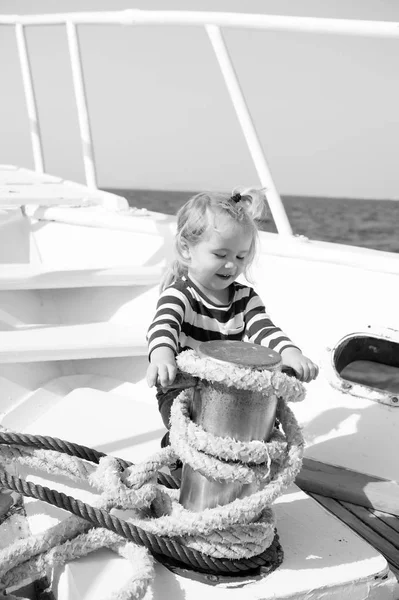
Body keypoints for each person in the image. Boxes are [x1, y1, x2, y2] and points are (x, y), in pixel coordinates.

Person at [146, 188, 318, 433]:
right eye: (220, 254)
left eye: (240, 256)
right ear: (186, 249)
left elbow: (265, 330)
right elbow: (163, 327)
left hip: (228, 387)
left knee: (260, 425)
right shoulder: (180, 295)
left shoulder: (244, 298)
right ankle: (177, 454)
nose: (231, 265)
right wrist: (161, 357)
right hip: (181, 387)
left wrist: (290, 353)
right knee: (190, 428)